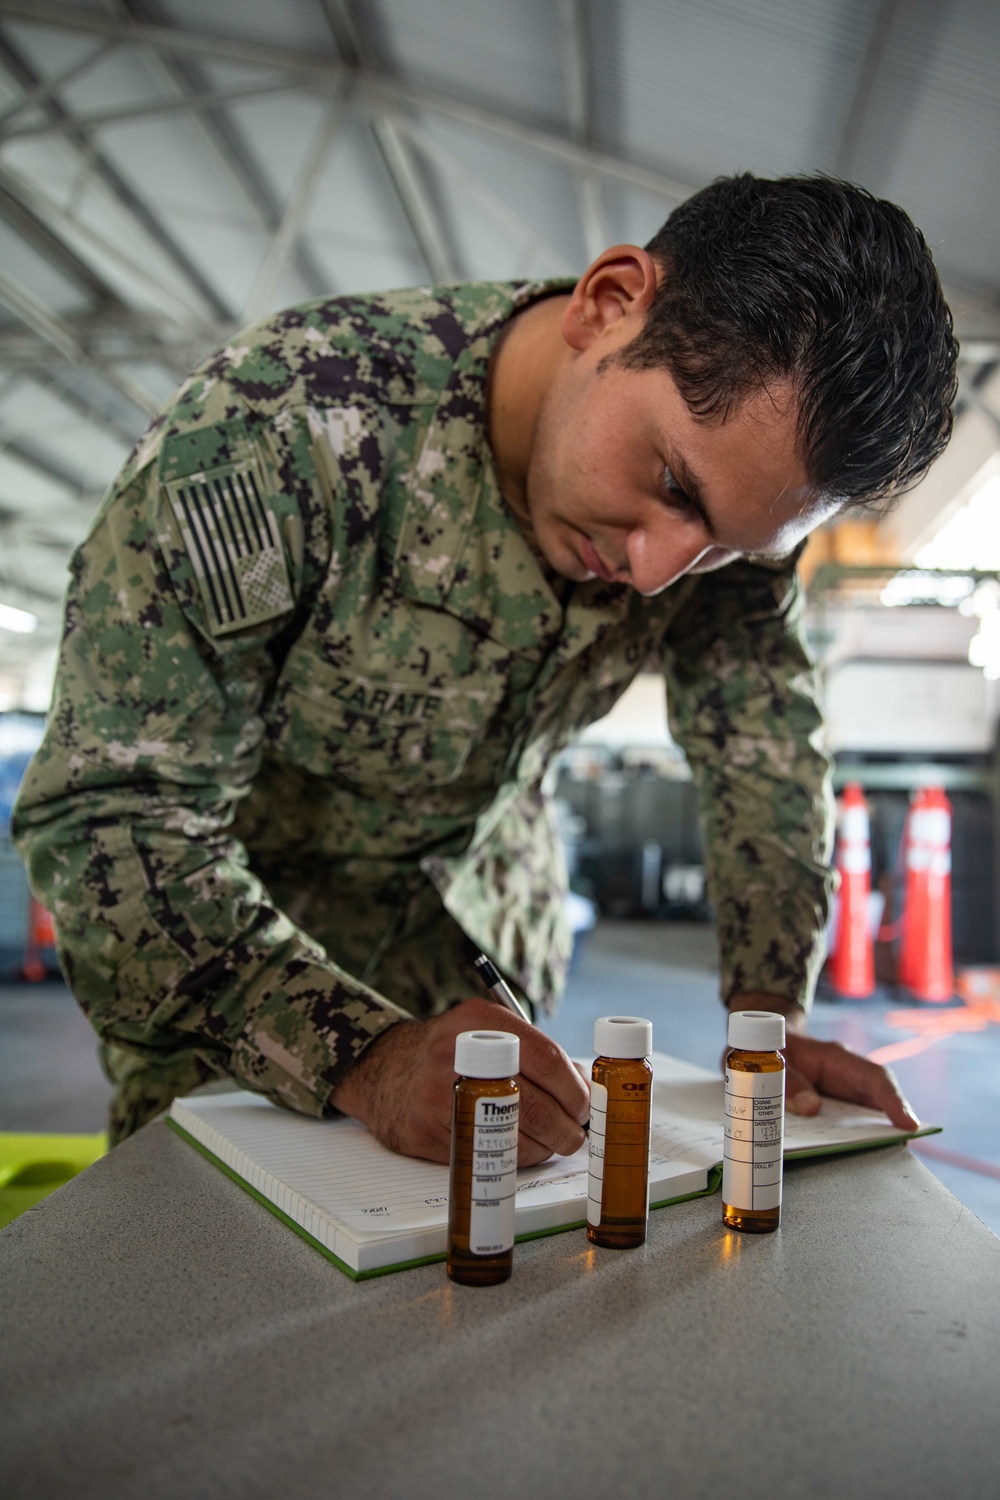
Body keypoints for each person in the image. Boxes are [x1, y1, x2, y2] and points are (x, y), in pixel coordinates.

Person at [13, 174, 956, 1162]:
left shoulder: (730, 485)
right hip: (234, 972)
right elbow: (109, 814)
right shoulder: (276, 436)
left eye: (729, 547)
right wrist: (363, 1058)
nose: (657, 571)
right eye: (668, 483)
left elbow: (757, 737)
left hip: (485, 942)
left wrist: (770, 1018)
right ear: (608, 303)